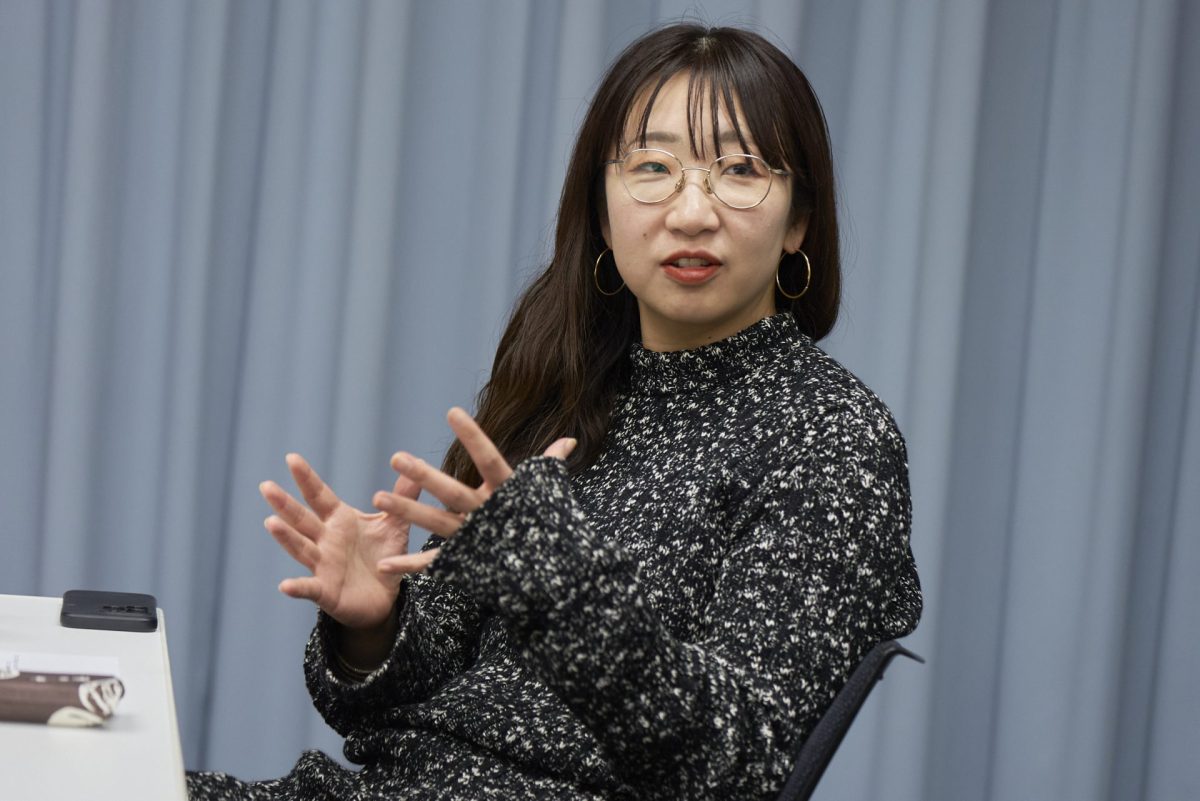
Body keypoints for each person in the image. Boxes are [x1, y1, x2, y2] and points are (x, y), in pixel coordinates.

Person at [187, 22, 921, 801]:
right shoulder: (567, 390)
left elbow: (738, 764)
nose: (691, 212)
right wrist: (375, 624)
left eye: (740, 170)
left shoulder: (833, 437)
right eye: (653, 167)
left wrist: (558, 580)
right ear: (602, 212)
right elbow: (399, 704)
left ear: (798, 220)